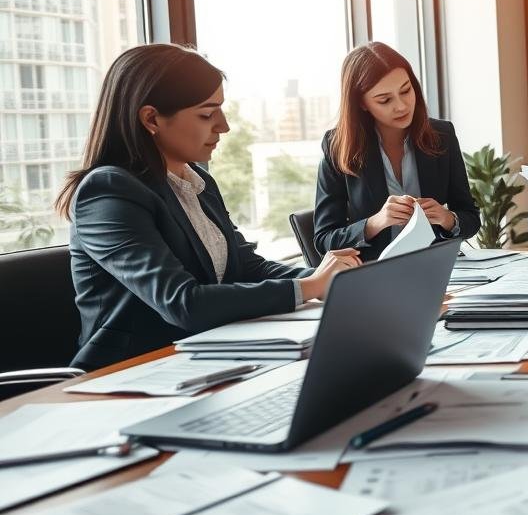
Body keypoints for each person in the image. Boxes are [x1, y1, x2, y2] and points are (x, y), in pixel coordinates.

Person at [58, 44, 361, 371]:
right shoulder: (107, 192)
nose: (224, 126)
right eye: (206, 114)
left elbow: (248, 268)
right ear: (151, 118)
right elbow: (182, 303)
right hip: (131, 374)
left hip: (209, 358)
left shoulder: (197, 181)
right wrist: (310, 286)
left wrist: (332, 282)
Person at [314, 42, 480, 262]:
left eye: (406, 90)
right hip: (375, 274)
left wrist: (448, 218)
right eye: (385, 100)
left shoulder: (442, 135)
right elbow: (324, 240)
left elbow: (470, 217)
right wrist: (374, 223)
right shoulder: (337, 147)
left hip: (437, 268)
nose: (401, 106)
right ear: (362, 103)